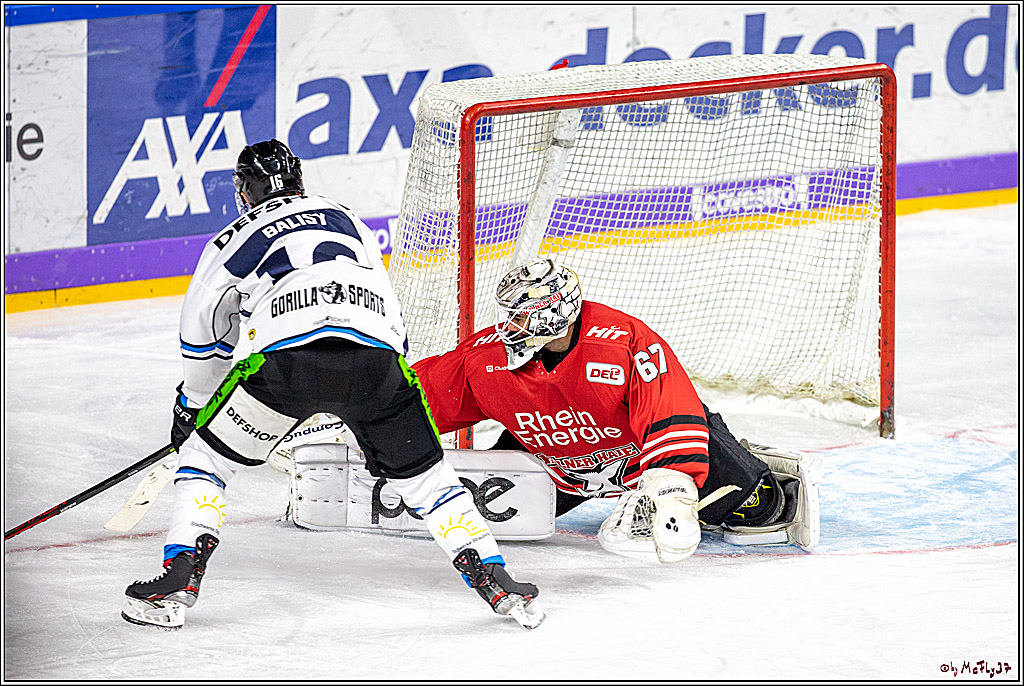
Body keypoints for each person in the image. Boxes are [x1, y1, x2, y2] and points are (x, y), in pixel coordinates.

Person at [121, 140, 543, 630]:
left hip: (286, 363)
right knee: (430, 479)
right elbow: (387, 303)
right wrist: (383, 382)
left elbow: (206, 328)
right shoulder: (347, 218)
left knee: (205, 460)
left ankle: (179, 577)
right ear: (299, 181)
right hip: (378, 361)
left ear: (243, 192)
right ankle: (496, 578)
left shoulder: (234, 235)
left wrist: (195, 405)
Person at [413, 258, 821, 563]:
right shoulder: (485, 357)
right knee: (496, 523)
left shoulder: (622, 341)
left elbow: (669, 407)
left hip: (642, 460)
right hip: (555, 465)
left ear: (551, 314)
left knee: (760, 508)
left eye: (520, 315)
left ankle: (747, 466)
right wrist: (379, 421)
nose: (509, 325)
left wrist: (674, 490)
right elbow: (423, 395)